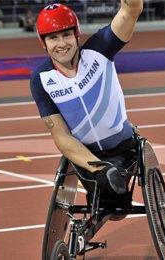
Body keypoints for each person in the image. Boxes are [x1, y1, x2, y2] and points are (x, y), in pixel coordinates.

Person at [29, 1, 144, 204]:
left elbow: (131, 11)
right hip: (87, 157)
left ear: (76, 34)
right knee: (109, 203)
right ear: (43, 43)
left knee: (120, 205)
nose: (62, 43)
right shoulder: (42, 79)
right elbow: (60, 135)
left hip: (123, 148)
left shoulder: (100, 48)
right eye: (53, 38)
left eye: (66, 35)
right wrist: (98, 167)